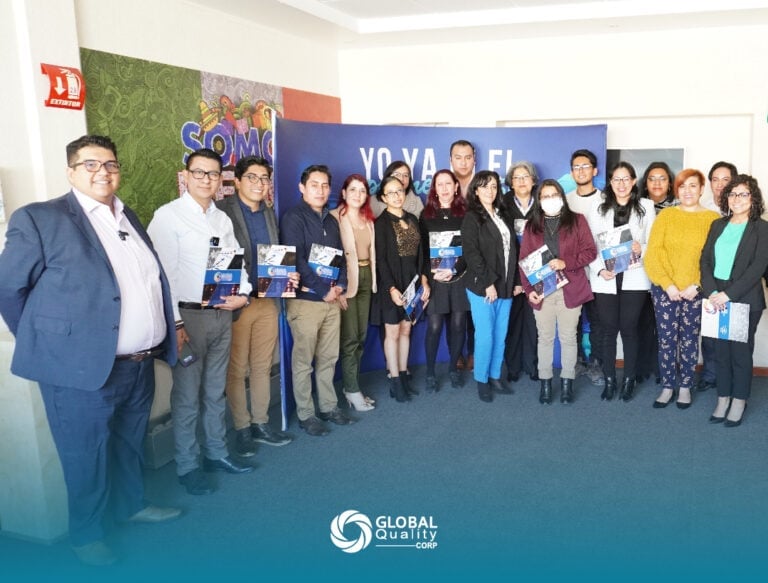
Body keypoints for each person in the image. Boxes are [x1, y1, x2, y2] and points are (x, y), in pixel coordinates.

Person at [0, 135, 180, 566]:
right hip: (78, 370)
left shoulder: (126, 214)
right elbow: (9, 289)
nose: (103, 172)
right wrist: (50, 342)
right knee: (85, 454)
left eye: (111, 164)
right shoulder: (41, 218)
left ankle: (131, 505)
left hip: (137, 363)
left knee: (128, 443)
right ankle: (87, 535)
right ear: (71, 170)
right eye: (90, 164)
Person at [148, 148, 254, 496]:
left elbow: (235, 265)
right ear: (186, 176)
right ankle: (187, 465)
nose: (207, 180)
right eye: (200, 173)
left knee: (214, 391)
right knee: (187, 397)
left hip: (222, 315)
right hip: (188, 319)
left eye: (213, 174)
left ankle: (217, 453)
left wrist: (245, 292)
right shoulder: (168, 216)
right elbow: (162, 276)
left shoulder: (221, 219)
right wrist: (176, 324)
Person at [215, 156, 294, 456]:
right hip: (236, 303)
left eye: (264, 178)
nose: (259, 184)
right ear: (236, 180)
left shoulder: (270, 214)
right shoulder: (222, 212)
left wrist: (288, 275)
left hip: (267, 300)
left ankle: (260, 423)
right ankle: (242, 429)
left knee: (261, 367)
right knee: (236, 370)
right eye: (252, 177)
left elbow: (276, 255)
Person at [280, 164, 352, 436]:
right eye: (314, 185)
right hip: (306, 302)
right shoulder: (293, 218)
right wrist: (323, 290)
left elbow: (341, 257)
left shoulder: (331, 220)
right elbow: (296, 259)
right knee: (303, 361)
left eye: (324, 186)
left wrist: (341, 285)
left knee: (328, 358)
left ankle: (329, 406)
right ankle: (306, 414)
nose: (320, 190)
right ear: (302, 187)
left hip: (332, 301)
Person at [644, 169, 719, 409]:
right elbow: (653, 254)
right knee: (666, 340)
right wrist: (668, 285)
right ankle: (668, 386)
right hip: (666, 291)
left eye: (693, 186)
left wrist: (696, 285)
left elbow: (713, 258)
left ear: (701, 189)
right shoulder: (665, 217)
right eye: (683, 186)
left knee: (689, 340)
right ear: (677, 189)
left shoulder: (712, 219)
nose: (688, 191)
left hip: (695, 292)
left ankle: (685, 386)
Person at [520, 179, 597, 405]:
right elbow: (524, 261)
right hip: (542, 290)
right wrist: (527, 290)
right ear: (539, 200)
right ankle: (545, 383)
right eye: (545, 196)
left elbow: (590, 251)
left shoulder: (577, 220)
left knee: (568, 338)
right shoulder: (531, 225)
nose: (550, 199)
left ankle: (566, 383)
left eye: (554, 195)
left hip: (571, 288)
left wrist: (566, 262)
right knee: (545, 338)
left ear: (562, 196)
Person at [700, 175, 768, 427]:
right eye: (732, 194)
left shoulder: (761, 228)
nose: (737, 199)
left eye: (743, 194)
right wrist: (711, 292)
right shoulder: (718, 225)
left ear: (753, 198)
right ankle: (723, 397)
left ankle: (739, 400)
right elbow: (705, 260)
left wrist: (728, 295)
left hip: (744, 299)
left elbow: (758, 267)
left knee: (739, 353)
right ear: (726, 198)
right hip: (715, 296)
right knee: (720, 352)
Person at [586, 162, 656, 402]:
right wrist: (598, 270)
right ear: (610, 182)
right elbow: (591, 246)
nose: (622, 184)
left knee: (629, 329)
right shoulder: (597, 208)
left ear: (634, 181)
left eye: (626, 179)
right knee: (607, 331)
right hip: (606, 277)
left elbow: (653, 242)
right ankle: (609, 380)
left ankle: (628, 380)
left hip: (634, 277)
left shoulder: (646, 207)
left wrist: (641, 247)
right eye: (617, 179)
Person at [461, 170, 520, 402]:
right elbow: (472, 254)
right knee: (485, 336)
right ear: (476, 190)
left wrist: (514, 282)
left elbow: (511, 251)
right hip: (482, 287)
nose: (490, 191)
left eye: (494, 186)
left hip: (505, 286)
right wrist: (487, 283)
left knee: (500, 334)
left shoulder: (502, 215)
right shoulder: (472, 218)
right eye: (484, 186)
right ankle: (481, 380)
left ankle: (495, 375)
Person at [372, 174, 430, 402]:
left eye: (400, 191)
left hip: (412, 282)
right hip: (392, 285)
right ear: (383, 197)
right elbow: (381, 261)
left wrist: (424, 280)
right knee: (393, 332)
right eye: (391, 192)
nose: (397, 196)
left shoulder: (414, 219)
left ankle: (404, 375)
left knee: (407, 329)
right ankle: (395, 380)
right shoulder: (381, 224)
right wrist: (391, 289)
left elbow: (422, 254)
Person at [331, 174, 378, 411]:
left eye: (362, 190)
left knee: (360, 336)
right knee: (349, 339)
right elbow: (329, 256)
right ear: (343, 193)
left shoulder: (368, 220)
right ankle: (351, 390)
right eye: (353, 190)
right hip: (346, 282)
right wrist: (337, 290)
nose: (358, 195)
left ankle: (353, 386)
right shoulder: (334, 218)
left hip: (366, 277)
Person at [419, 169, 469, 391]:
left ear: (456, 186)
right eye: (440, 184)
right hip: (436, 279)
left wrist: (456, 270)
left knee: (459, 325)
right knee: (435, 325)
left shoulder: (466, 213)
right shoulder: (426, 215)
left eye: (449, 183)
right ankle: (430, 372)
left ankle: (452, 369)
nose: (445, 188)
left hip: (460, 277)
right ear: (434, 189)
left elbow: (471, 248)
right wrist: (427, 278)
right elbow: (421, 251)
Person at [565, 149, 605, 387]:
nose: (581, 171)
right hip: (573, 274)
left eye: (585, 166)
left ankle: (597, 364)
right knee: (574, 322)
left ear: (594, 170)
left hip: (600, 274)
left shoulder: (605, 200)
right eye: (576, 167)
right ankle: (578, 361)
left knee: (599, 322)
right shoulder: (566, 201)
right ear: (572, 173)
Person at [698, 161, 738, 393]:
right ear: (709, 183)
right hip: (710, 282)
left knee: (734, 334)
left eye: (726, 180)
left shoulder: (743, 207)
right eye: (715, 179)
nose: (720, 185)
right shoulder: (703, 209)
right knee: (711, 334)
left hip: (737, 284)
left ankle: (731, 376)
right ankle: (711, 375)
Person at [502, 161, 539, 383]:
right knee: (513, 323)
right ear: (510, 183)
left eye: (526, 176)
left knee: (534, 323)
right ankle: (513, 366)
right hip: (511, 274)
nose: (522, 181)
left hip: (538, 273)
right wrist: (515, 279)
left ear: (533, 181)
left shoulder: (543, 204)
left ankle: (532, 365)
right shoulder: (503, 204)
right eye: (517, 177)